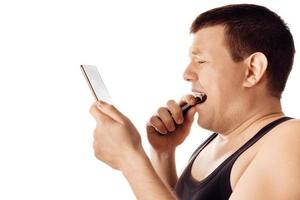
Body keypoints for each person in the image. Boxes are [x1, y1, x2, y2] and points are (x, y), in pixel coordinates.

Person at [89, 4, 300, 200]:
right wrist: (163, 153)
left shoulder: (292, 140)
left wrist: (130, 158)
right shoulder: (215, 144)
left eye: (200, 61)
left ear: (252, 70)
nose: (187, 74)